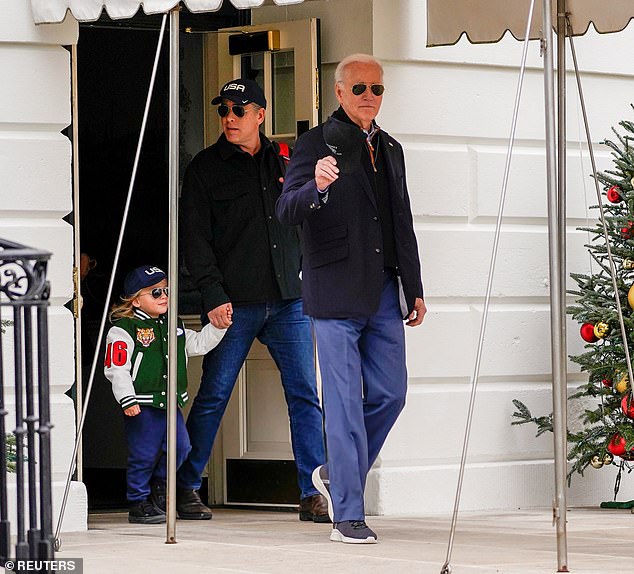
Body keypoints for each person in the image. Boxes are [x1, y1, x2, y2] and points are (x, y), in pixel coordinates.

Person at [276, 54, 427, 544]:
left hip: (384, 290)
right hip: (334, 288)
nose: (369, 97)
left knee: (391, 393)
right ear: (339, 92)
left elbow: (400, 219)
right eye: (359, 88)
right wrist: (316, 186)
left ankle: (337, 474)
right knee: (341, 403)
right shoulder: (313, 144)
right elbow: (286, 209)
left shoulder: (392, 148)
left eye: (377, 89)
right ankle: (348, 513)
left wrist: (415, 287)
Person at [178, 78, 329, 522]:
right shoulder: (204, 168)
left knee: (305, 393)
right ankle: (185, 487)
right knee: (213, 394)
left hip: (290, 300)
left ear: (260, 115)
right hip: (233, 304)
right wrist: (211, 295)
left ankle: (312, 492)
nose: (229, 118)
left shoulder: (286, 160)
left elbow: (310, 217)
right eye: (223, 110)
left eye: (238, 110)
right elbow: (196, 239)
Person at [104, 265, 226, 524]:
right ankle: (138, 501)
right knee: (144, 453)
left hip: (170, 403)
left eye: (167, 291)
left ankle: (160, 486)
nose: (164, 297)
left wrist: (219, 327)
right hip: (142, 403)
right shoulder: (124, 328)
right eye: (156, 292)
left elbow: (198, 344)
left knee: (181, 447)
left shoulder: (174, 325)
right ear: (136, 299)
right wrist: (127, 398)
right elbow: (117, 368)